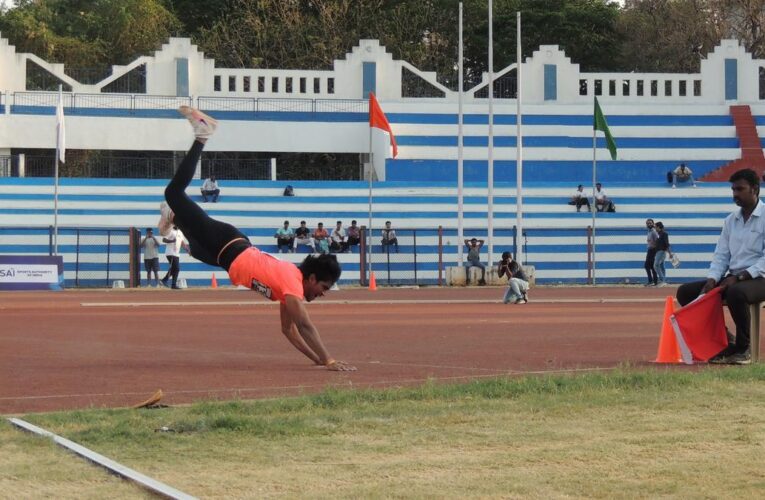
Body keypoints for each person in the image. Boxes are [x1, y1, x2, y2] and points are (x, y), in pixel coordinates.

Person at [159, 106, 354, 371]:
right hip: (227, 243)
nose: (323, 295)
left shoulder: (290, 291)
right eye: (324, 287)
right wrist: (329, 359)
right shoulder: (292, 287)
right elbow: (305, 325)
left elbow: (289, 331)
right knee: (173, 192)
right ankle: (202, 135)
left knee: (194, 250)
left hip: (225, 256)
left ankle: (173, 218)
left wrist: (319, 359)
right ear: (311, 278)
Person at [676, 168, 765, 365]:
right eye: (733, 190)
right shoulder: (730, 221)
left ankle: (745, 349)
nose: (735, 194)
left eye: (740, 189)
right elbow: (721, 254)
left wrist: (741, 276)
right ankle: (725, 341)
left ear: (755, 189)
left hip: (760, 278)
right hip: (733, 278)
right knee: (686, 292)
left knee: (736, 293)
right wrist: (712, 279)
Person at [160, 225, 188, 289]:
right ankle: (170, 283)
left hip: (177, 254)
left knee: (174, 268)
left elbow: (182, 242)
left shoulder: (180, 232)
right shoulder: (170, 231)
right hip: (170, 253)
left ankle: (167, 282)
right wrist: (172, 241)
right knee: (176, 268)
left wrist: (187, 249)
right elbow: (164, 239)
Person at [653, 221, 673, 287]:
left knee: (656, 265)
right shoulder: (659, 234)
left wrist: (670, 253)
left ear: (659, 227)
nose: (655, 228)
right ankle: (663, 281)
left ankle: (662, 280)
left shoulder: (664, 234)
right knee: (661, 266)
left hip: (661, 251)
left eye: (655, 227)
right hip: (658, 251)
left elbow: (667, 244)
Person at [644, 219, 659, 286]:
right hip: (650, 250)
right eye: (647, 223)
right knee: (648, 266)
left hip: (653, 250)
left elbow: (657, 241)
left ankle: (653, 281)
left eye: (650, 223)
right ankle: (653, 281)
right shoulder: (649, 232)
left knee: (649, 266)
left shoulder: (653, 232)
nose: (649, 224)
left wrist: (656, 251)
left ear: (653, 223)